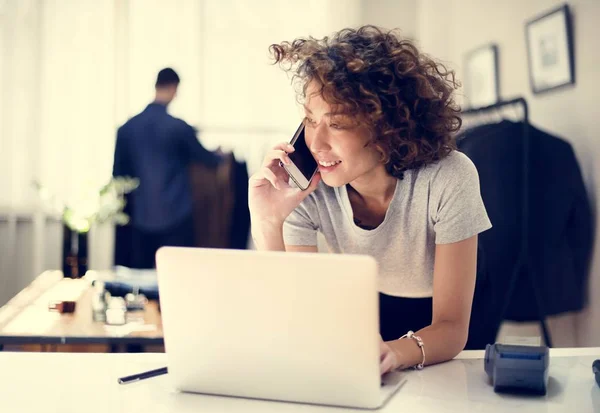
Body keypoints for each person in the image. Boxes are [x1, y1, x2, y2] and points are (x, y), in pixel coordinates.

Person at [249, 26, 492, 375]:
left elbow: (452, 328)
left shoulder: (449, 176)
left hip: (447, 324)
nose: (316, 143)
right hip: (367, 313)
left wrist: (393, 354)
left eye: (337, 124)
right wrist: (269, 222)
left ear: (387, 126)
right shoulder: (307, 190)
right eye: (310, 120)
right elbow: (297, 316)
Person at [113, 67, 221, 268]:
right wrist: (220, 154)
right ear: (174, 88)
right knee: (177, 277)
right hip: (176, 215)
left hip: (139, 217)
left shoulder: (127, 129)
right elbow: (208, 160)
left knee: (139, 284)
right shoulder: (179, 128)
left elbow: (118, 176)